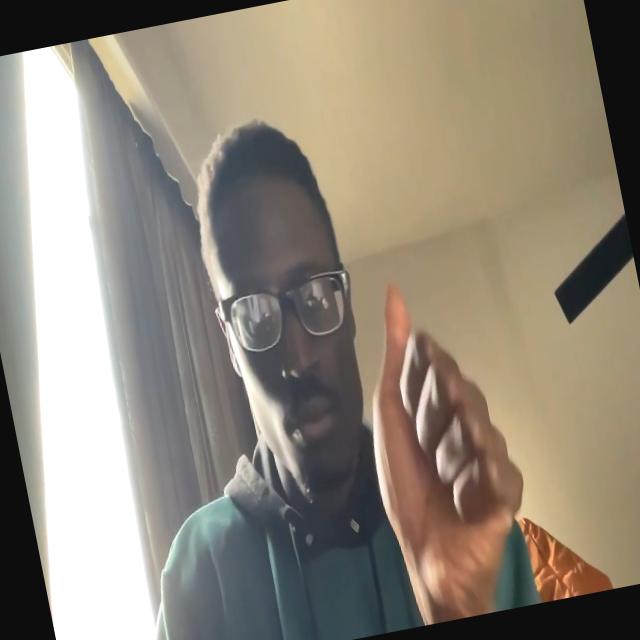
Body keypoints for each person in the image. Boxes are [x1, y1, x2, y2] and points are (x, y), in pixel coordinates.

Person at [156, 122, 540, 640]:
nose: (297, 357)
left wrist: (457, 609)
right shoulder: (200, 568)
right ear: (229, 340)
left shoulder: (463, 511)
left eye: (316, 296)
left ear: (348, 305)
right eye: (255, 315)